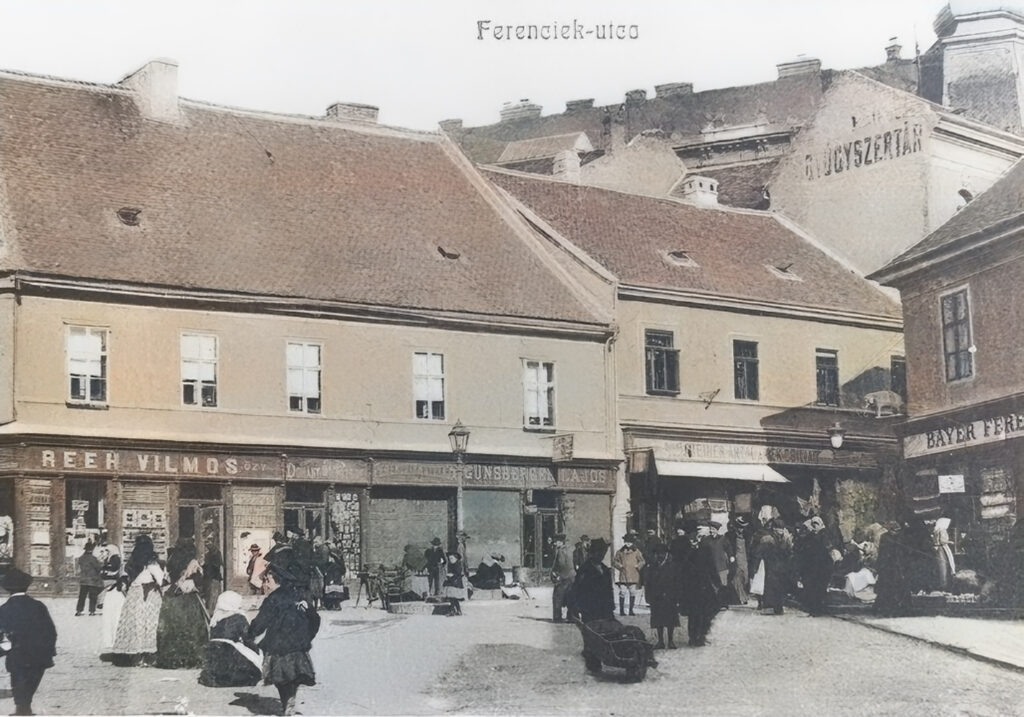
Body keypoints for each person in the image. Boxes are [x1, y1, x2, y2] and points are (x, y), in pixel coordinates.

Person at [568, 538, 655, 673]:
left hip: (605, 608)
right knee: (592, 637)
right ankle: (593, 663)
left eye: (603, 552)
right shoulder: (585, 569)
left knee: (609, 634)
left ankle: (613, 654)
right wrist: (575, 607)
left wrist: (611, 606)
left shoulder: (604, 569)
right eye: (599, 552)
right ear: (593, 553)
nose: (601, 555)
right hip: (590, 609)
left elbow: (608, 590)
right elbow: (577, 589)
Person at [247, 561, 321, 717]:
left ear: (276, 580)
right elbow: (315, 619)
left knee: (281, 678)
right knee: (293, 677)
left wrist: (250, 634)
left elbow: (261, 621)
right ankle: (289, 702)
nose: (266, 584)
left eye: (268, 580)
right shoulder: (297, 595)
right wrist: (307, 637)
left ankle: (287, 703)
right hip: (297, 646)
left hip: (279, 646)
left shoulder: (273, 599)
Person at [0, 568, 57, 716]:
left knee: (18, 681)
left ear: (7, 589)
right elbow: (50, 631)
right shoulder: (38, 606)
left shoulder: (4, 609)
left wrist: (2, 650)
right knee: (33, 680)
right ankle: (25, 707)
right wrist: (49, 650)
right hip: (39, 654)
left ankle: (22, 707)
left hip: (17, 654)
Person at [111, 534, 165, 665]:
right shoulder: (151, 563)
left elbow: (125, 580)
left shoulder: (131, 563)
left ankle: (135, 656)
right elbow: (161, 580)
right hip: (149, 595)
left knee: (134, 623)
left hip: (133, 595)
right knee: (149, 624)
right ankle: (147, 656)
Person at [155, 538, 208, 669]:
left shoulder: (171, 561)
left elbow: (166, 579)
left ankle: (173, 659)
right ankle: (190, 659)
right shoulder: (193, 563)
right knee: (191, 627)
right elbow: (199, 580)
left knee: (173, 628)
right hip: (189, 599)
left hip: (173, 597)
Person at [198, 591, 262, 687]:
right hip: (229, 649)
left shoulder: (216, 617)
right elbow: (247, 639)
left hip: (213, 649)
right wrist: (257, 652)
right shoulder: (239, 617)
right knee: (252, 670)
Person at [676, 521, 721, 647]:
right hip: (690, 586)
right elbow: (680, 567)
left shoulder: (705, 549)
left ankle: (700, 636)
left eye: (694, 535)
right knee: (693, 613)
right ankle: (693, 637)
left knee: (704, 612)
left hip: (703, 585)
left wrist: (717, 582)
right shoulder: (683, 549)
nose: (693, 538)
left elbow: (711, 567)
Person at [644, 542, 679, 649]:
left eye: (662, 553)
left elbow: (677, 582)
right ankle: (660, 641)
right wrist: (648, 596)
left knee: (670, 620)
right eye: (658, 553)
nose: (660, 555)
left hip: (670, 597)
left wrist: (677, 597)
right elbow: (648, 583)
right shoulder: (652, 567)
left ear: (667, 554)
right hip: (656, 597)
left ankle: (671, 641)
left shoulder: (672, 566)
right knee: (658, 619)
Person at [797, 516, 834, 616]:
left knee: (820, 587)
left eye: (816, 524)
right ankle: (814, 608)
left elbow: (828, 548)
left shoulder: (824, 534)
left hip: (823, 566)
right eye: (813, 524)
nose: (814, 526)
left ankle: (818, 608)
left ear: (820, 524)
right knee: (813, 587)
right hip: (813, 566)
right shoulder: (811, 535)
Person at [611, 533, 645, 617]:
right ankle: (622, 610)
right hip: (623, 575)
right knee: (622, 592)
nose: (628, 544)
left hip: (633, 575)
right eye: (627, 542)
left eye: (630, 542)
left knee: (632, 592)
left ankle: (631, 610)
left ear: (633, 543)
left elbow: (642, 561)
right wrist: (619, 566)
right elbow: (614, 561)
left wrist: (638, 566)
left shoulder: (636, 551)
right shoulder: (620, 551)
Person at [550, 534, 575, 623]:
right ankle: (571, 617)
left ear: (561, 542)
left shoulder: (560, 551)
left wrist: (556, 573)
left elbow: (561, 564)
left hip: (563, 577)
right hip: (572, 577)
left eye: (556, 542)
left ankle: (557, 617)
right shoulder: (570, 549)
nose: (555, 543)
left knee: (557, 598)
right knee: (570, 598)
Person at [76, 541, 104, 617]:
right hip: (93, 580)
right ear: (92, 549)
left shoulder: (81, 558)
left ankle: (79, 611)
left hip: (83, 579)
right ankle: (92, 611)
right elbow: (98, 568)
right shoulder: (93, 558)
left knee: (82, 596)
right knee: (92, 596)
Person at [727, 515, 751, 606]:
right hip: (736, 559)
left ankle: (744, 595)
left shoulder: (747, 535)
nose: (741, 529)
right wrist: (732, 556)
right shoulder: (731, 536)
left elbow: (749, 547)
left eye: (742, 527)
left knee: (745, 578)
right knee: (737, 578)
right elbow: (728, 547)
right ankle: (741, 597)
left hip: (745, 559)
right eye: (739, 527)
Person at [933, 517, 956, 591]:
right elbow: (943, 540)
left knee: (942, 566)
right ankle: (944, 584)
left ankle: (943, 583)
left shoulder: (936, 530)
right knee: (943, 566)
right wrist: (950, 542)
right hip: (942, 548)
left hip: (938, 548)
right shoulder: (942, 530)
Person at [202, 542, 225, 613]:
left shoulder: (213, 554)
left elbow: (218, 565)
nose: (207, 547)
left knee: (212, 594)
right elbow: (221, 564)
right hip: (213, 577)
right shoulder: (212, 554)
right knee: (213, 594)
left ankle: (212, 610)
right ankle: (213, 609)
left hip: (213, 577)